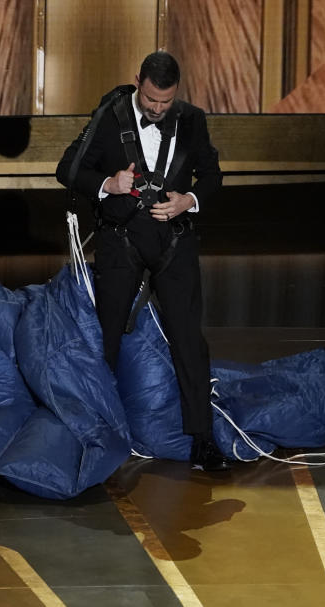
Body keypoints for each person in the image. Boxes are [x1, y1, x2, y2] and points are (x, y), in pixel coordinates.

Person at [56, 50, 231, 471]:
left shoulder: (192, 120)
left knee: (188, 338)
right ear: (138, 82)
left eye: (165, 102)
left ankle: (202, 439)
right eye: (151, 100)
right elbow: (67, 170)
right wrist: (107, 183)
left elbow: (212, 177)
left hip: (174, 240)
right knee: (107, 338)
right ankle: (100, 434)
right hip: (121, 239)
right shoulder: (109, 118)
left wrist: (187, 201)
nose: (157, 109)